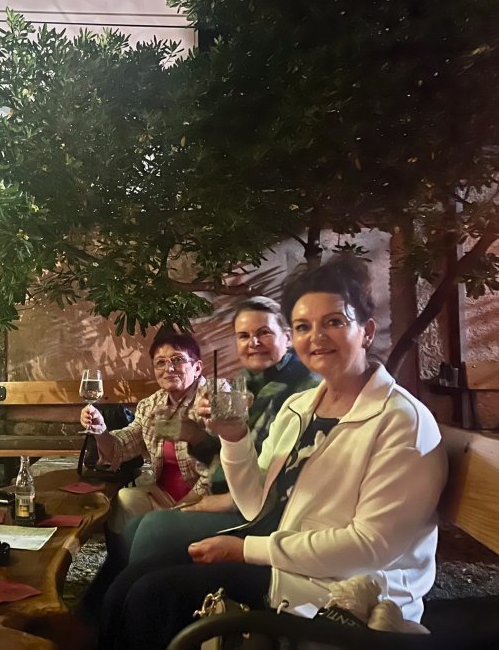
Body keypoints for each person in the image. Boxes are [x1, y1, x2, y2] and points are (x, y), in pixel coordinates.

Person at [97, 258, 448, 650]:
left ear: (365, 331)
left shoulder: (400, 421)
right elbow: (254, 503)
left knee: (153, 594)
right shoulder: (301, 406)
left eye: (334, 321)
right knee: (127, 583)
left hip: (345, 590)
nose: (317, 337)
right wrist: (234, 437)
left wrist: (247, 550)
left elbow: (369, 548)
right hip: (290, 557)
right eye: (304, 326)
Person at [125, 296, 321, 565]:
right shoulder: (244, 382)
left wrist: (223, 500)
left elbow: (289, 471)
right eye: (244, 336)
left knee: (153, 528)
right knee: (133, 528)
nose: (253, 342)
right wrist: (202, 435)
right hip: (232, 493)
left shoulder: (304, 388)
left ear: (287, 337)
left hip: (265, 514)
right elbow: (228, 454)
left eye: (264, 333)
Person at [79, 326, 213, 533]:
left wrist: (176, 513)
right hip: (164, 496)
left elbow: (215, 473)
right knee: (126, 499)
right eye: (160, 362)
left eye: (178, 360)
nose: (169, 368)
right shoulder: (151, 405)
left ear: (197, 368)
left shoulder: (213, 401)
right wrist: (100, 429)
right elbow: (120, 448)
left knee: (155, 528)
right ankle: (128, 551)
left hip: (206, 501)